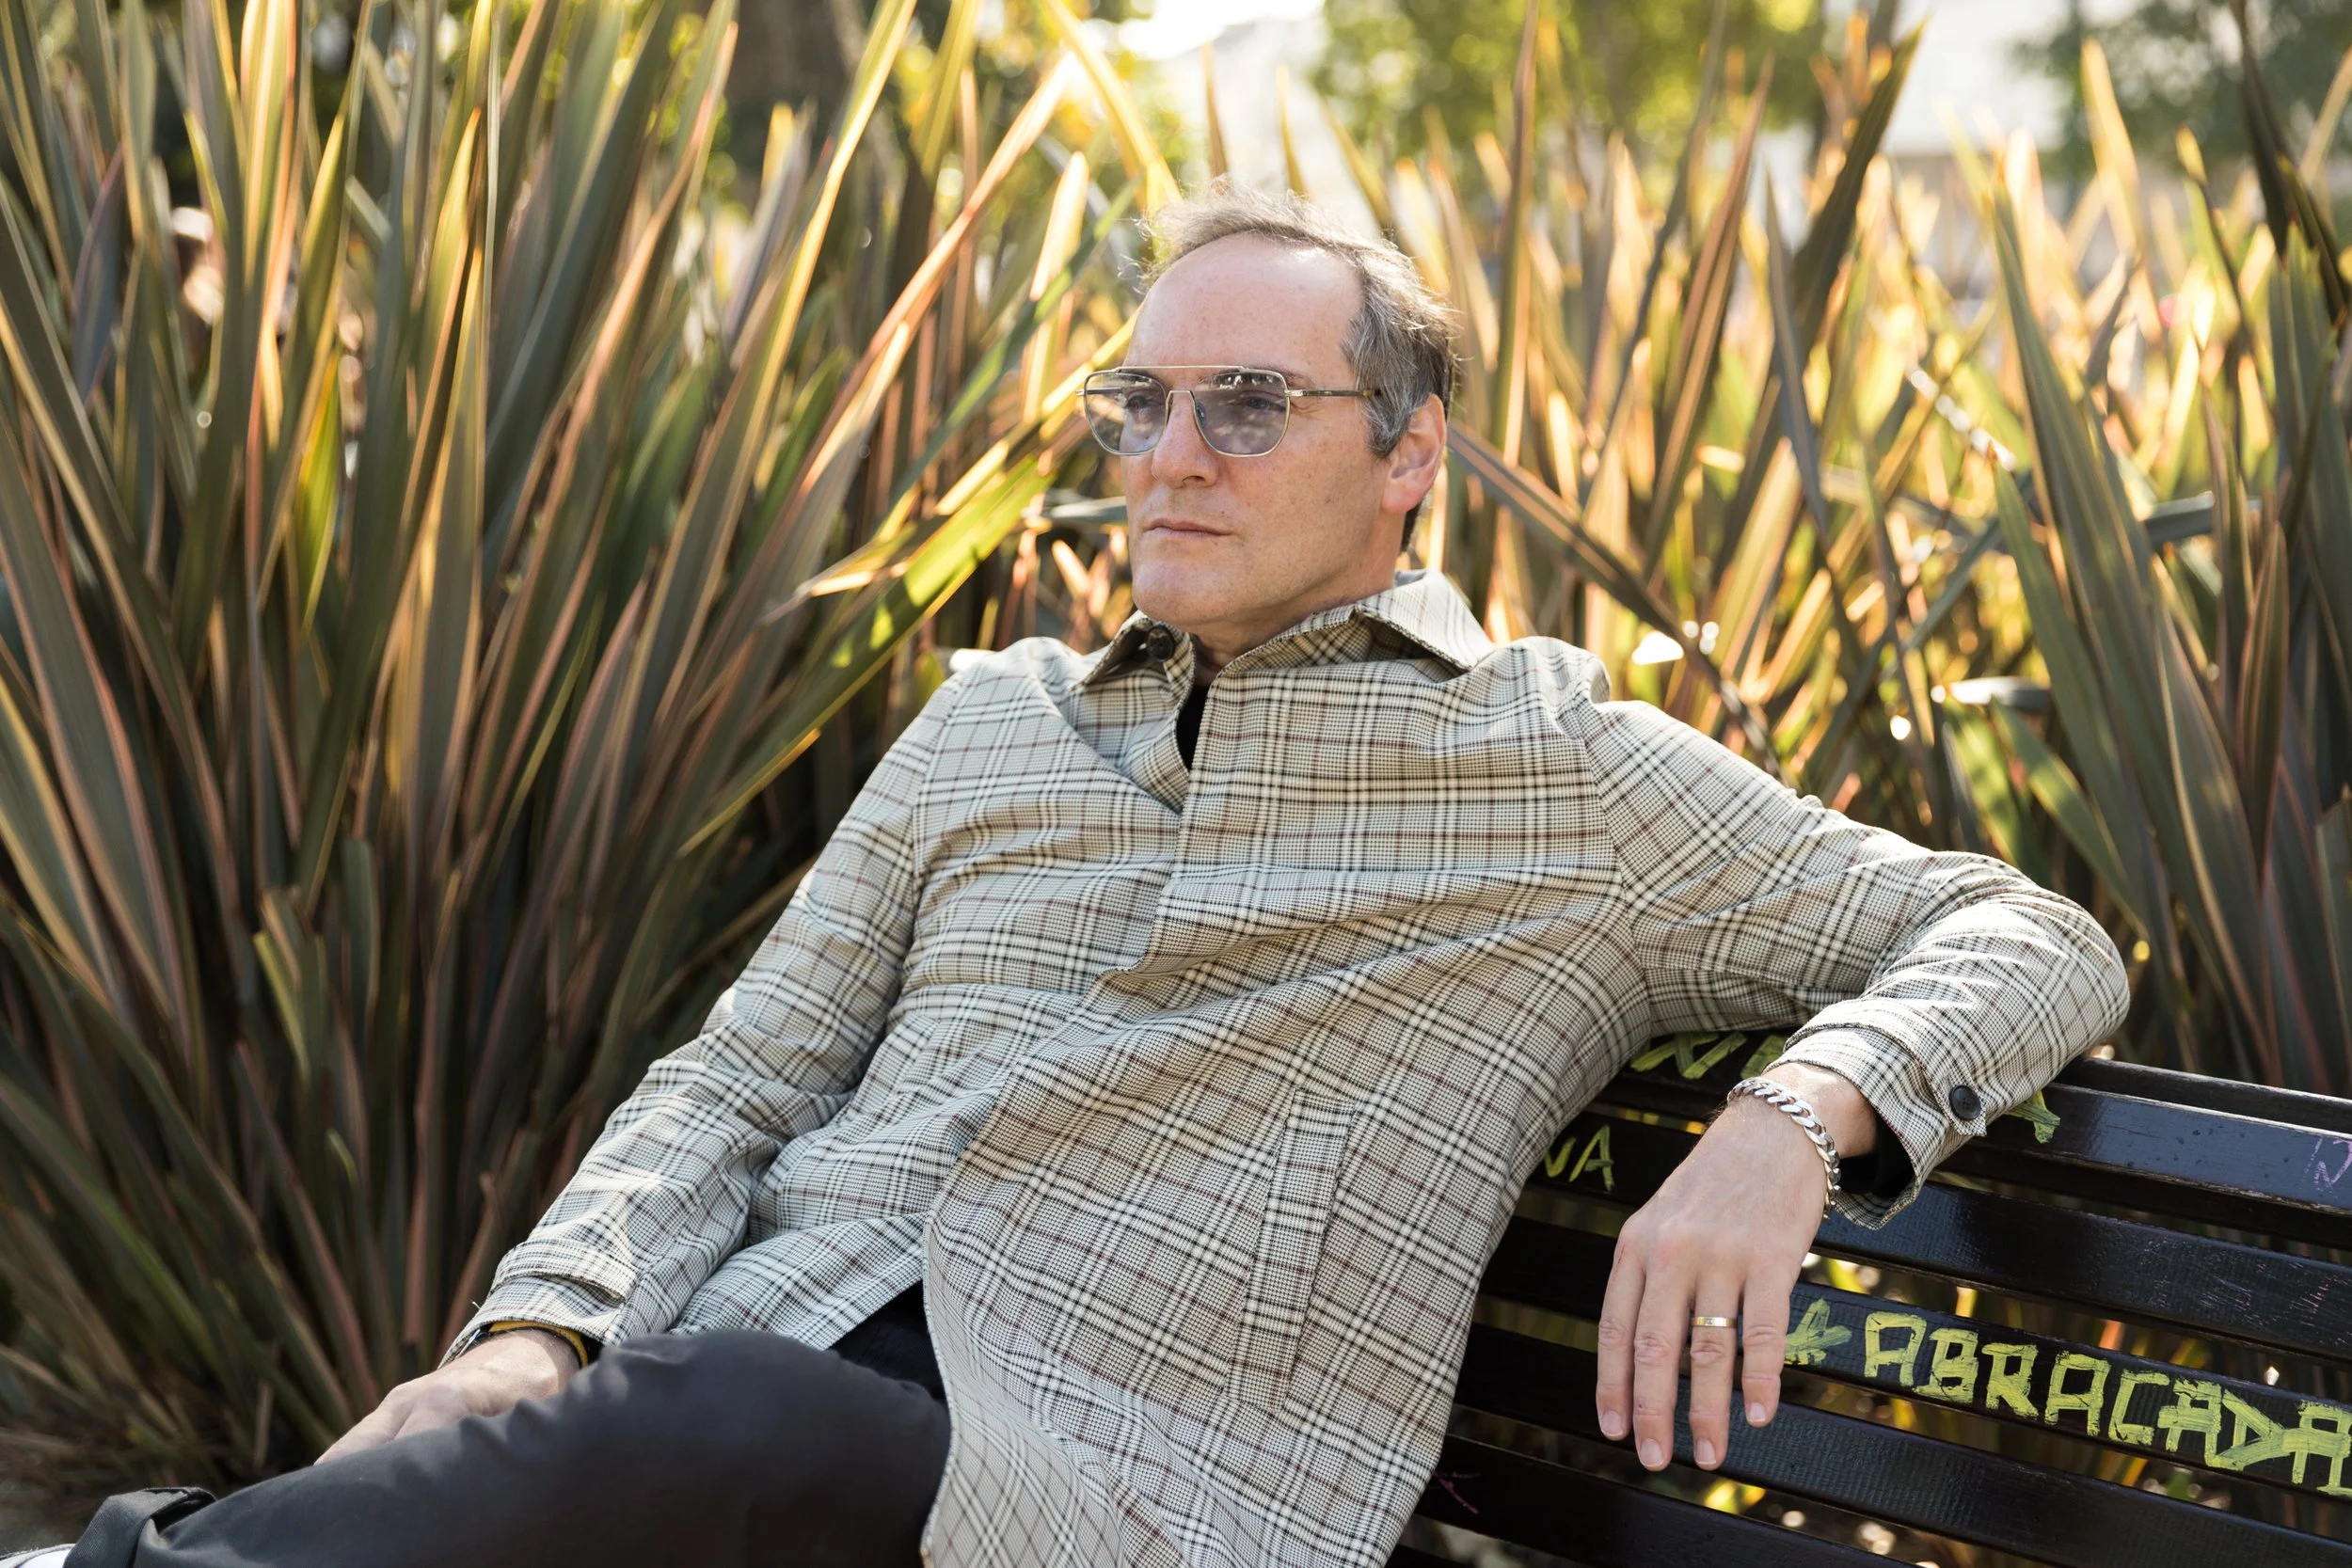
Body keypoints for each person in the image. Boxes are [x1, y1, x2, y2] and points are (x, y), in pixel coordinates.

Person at [10, 182, 2126, 1568]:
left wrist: (1791, 1116)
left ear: (1409, 457)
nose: (1170, 456)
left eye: (1247, 405)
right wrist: (534, 1336)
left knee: (723, 1419)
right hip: (730, 1407)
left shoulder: (1562, 772)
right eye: (1141, 403)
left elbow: (2024, 929)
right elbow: (739, 1079)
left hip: (1105, 1489)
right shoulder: (993, 721)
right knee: (665, 1416)